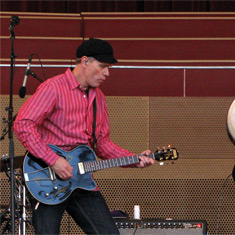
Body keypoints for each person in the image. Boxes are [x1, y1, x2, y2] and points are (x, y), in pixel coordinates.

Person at [14, 38, 154, 234]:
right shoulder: (53, 87)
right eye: (103, 66)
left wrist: (134, 160)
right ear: (85, 61)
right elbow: (23, 124)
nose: (107, 73)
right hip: (47, 178)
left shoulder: (99, 98)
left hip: (82, 182)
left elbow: (102, 144)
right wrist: (53, 160)